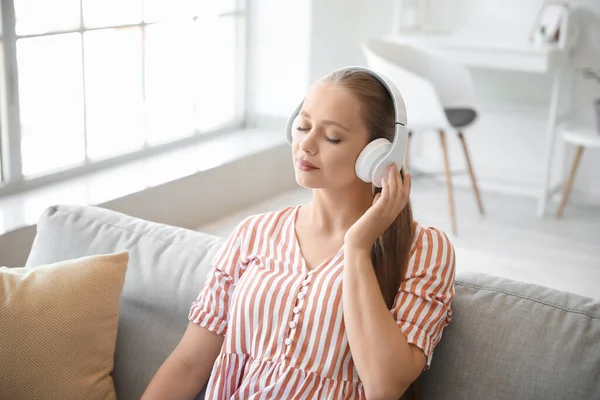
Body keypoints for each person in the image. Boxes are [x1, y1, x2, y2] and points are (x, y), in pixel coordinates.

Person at [141, 66, 456, 400]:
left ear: (378, 154)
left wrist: (357, 248)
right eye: (303, 126)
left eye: (332, 137)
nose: (306, 144)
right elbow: (188, 364)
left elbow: (384, 385)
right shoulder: (254, 233)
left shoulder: (423, 249)